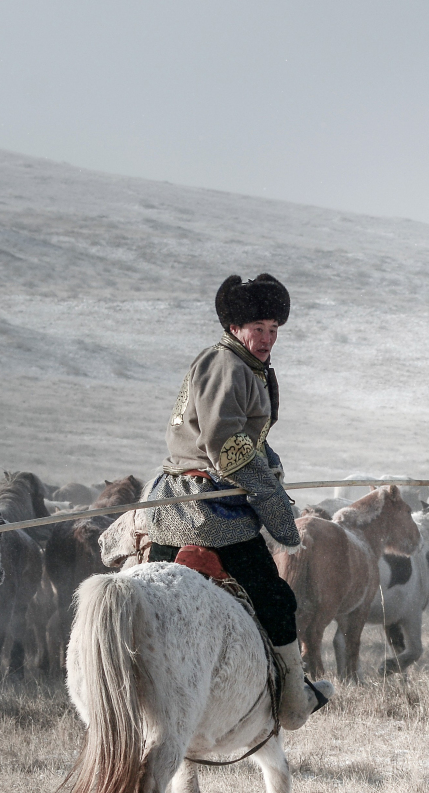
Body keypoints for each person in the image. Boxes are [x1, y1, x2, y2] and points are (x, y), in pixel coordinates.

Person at [144, 272, 331, 730]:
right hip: (208, 505)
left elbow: (248, 438)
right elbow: (226, 445)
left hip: (186, 501)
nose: (267, 340)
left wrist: (272, 465)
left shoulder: (240, 364)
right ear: (235, 327)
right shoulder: (228, 366)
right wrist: (271, 495)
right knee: (276, 598)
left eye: (274, 331)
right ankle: (292, 703)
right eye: (259, 330)